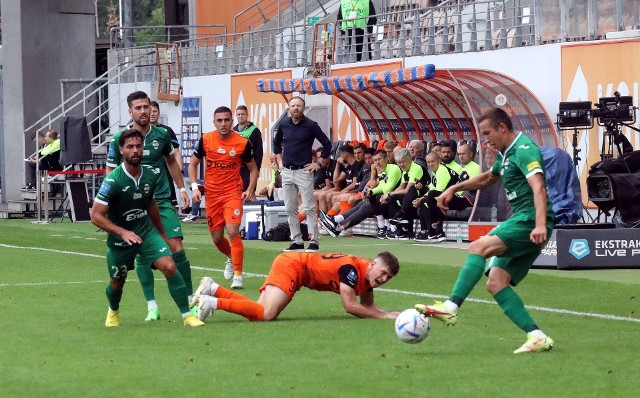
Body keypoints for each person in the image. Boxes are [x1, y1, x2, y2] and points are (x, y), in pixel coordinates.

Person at [415, 107, 555, 354]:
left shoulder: (525, 150)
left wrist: (541, 223)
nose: (485, 139)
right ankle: (537, 336)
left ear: (502, 128)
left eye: (487, 132)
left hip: (530, 219)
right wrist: (453, 188)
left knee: (478, 246)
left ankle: (451, 307)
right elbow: (489, 178)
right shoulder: (505, 152)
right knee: (496, 282)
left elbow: (539, 188)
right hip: (524, 220)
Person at [92, 129, 204, 328]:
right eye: (130, 147)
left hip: (145, 229)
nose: (135, 151)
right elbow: (95, 216)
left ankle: (187, 315)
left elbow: (151, 203)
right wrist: (122, 232)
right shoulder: (113, 181)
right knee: (117, 282)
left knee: (169, 266)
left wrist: (160, 233)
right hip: (121, 237)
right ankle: (113, 311)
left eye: (138, 146)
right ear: (121, 150)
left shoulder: (150, 174)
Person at [106, 91, 194, 322]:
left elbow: (171, 161)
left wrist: (182, 189)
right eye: (138, 108)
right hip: (130, 206)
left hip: (160, 200)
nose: (143, 111)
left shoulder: (162, 135)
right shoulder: (120, 139)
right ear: (130, 111)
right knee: (141, 256)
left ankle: (190, 300)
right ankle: (152, 306)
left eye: (146, 107)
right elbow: (110, 171)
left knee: (176, 248)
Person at [191, 251, 400, 322]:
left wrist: (392, 314)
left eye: (387, 277)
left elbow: (368, 306)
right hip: (294, 266)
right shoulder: (352, 271)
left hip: (293, 264)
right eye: (382, 273)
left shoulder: (367, 278)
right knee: (266, 315)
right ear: (372, 265)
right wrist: (383, 317)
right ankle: (211, 302)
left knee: (257, 310)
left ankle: (213, 289)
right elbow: (350, 306)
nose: (383, 279)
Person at [188, 106, 259, 290]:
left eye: (227, 120)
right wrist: (195, 187)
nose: (224, 124)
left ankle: (238, 276)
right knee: (218, 239)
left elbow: (253, 169)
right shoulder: (206, 140)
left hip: (232, 193)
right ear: (214, 122)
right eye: (219, 120)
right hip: (212, 195)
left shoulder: (242, 143)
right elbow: (192, 165)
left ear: (232, 121)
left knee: (233, 230)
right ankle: (229, 256)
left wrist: (250, 189)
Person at [273, 96, 332, 253]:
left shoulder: (311, 125)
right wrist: (279, 161)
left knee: (309, 207)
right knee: (290, 207)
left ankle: (314, 241)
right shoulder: (284, 124)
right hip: (287, 171)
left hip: (304, 171)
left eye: (299, 105)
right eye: (293, 105)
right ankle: (297, 240)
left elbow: (327, 144)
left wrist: (318, 163)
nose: (296, 108)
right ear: (289, 108)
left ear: (303, 108)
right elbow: (276, 142)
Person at [149, 101, 182, 208]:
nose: (152, 114)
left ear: (159, 113)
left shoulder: (166, 131)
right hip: (146, 176)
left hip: (165, 174)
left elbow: (176, 153)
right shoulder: (137, 131)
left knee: (169, 206)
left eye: (155, 111)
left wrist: (179, 172)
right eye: (150, 111)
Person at [233, 105, 263, 192]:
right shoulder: (233, 131)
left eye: (242, 114)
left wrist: (256, 169)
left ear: (247, 115)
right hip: (236, 168)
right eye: (238, 114)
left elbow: (259, 152)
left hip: (249, 168)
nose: (240, 116)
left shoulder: (255, 131)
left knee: (249, 194)